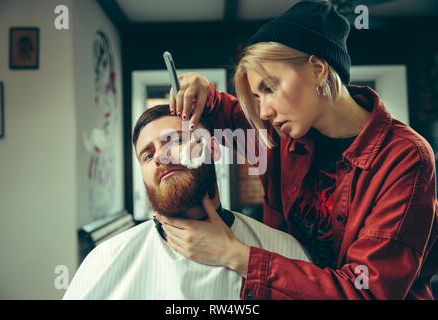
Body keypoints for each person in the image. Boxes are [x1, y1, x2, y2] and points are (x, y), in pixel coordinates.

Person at [157, 0, 438, 299]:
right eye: (255, 95)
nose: (262, 111)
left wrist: (236, 256)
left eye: (269, 88)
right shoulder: (283, 131)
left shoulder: (405, 159)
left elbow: (365, 290)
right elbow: (223, 112)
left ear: (317, 69)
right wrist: (200, 90)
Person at [62, 104, 310, 300]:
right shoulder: (103, 262)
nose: (160, 156)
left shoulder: (284, 251)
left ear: (212, 149)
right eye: (147, 155)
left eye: (175, 141)